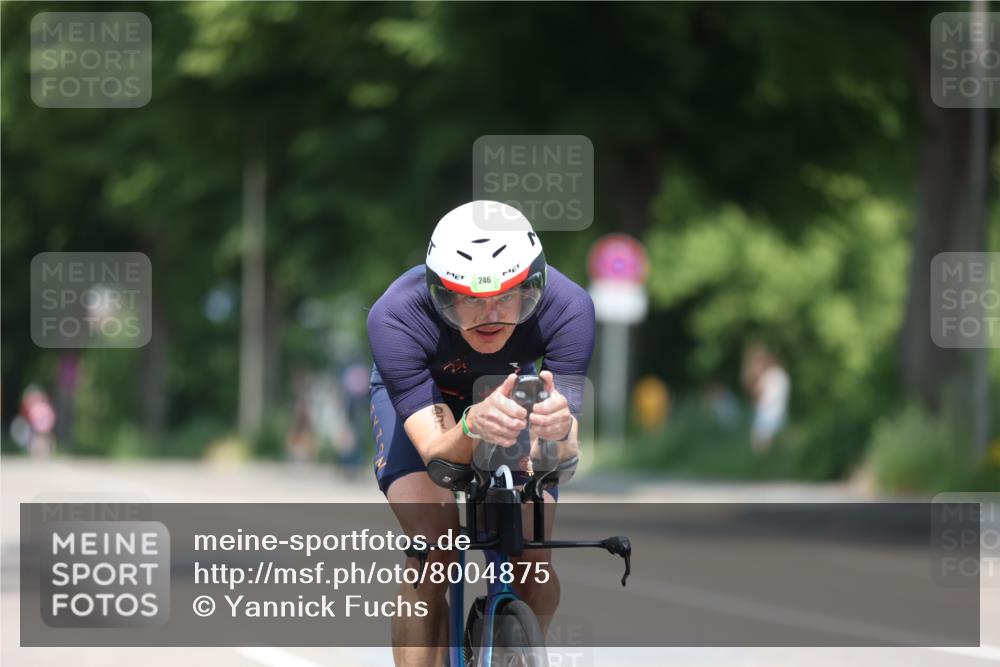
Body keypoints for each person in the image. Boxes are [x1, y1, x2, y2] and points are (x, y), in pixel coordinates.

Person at [366, 200, 595, 666]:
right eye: (469, 298)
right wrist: (471, 423)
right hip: (423, 405)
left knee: (533, 555)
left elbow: (566, 448)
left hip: (510, 394)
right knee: (437, 547)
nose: (489, 314)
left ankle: (516, 647)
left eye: (507, 295)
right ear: (440, 295)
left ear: (533, 286)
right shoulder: (394, 315)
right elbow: (438, 453)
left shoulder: (569, 307)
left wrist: (558, 429)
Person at [741, 343, 790, 451]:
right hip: (775, 416)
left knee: (762, 449)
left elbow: (757, 394)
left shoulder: (771, 375)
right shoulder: (779, 374)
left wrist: (752, 375)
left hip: (768, 418)